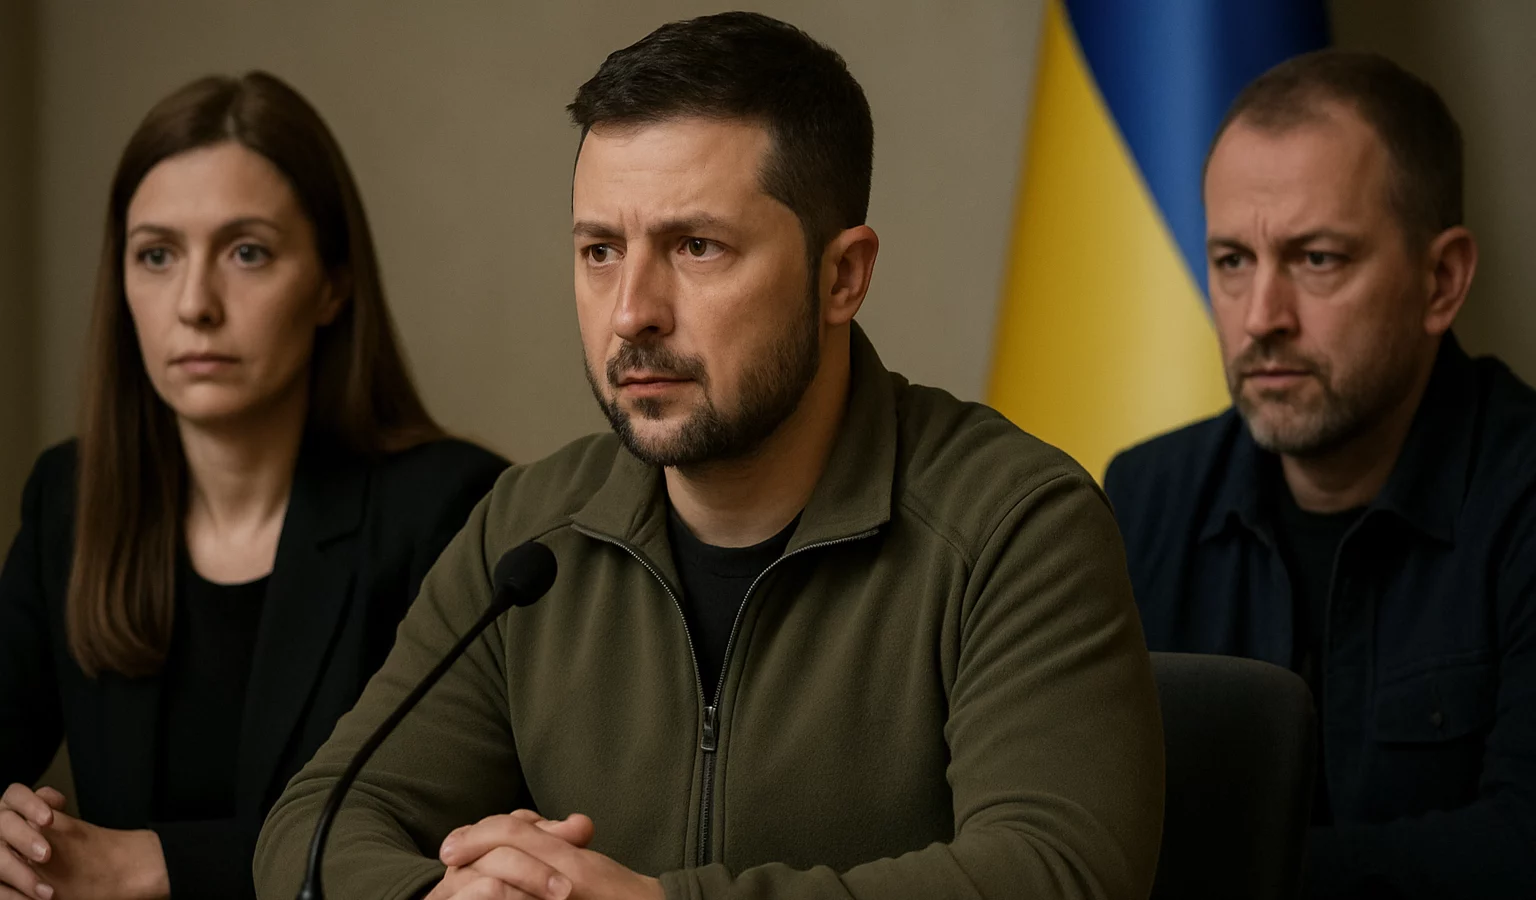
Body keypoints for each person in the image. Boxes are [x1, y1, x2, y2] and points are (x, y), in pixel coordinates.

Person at [254, 12, 1163, 900]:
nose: (631, 312)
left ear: (842, 276)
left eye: (696, 247)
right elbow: (314, 828)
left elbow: (1060, 869)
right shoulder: (527, 533)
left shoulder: (1016, 524)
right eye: (601, 251)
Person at [0, 72, 508, 900]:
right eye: (157, 255)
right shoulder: (68, 496)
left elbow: (441, 833)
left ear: (332, 284)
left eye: (247, 253)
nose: (195, 304)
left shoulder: (451, 509)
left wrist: (148, 863)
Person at [1105, 50, 1536, 898]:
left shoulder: (1520, 497)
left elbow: (1522, 850)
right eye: (1232, 261)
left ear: (1441, 281)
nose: (1261, 319)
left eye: (1317, 259)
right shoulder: (1144, 498)